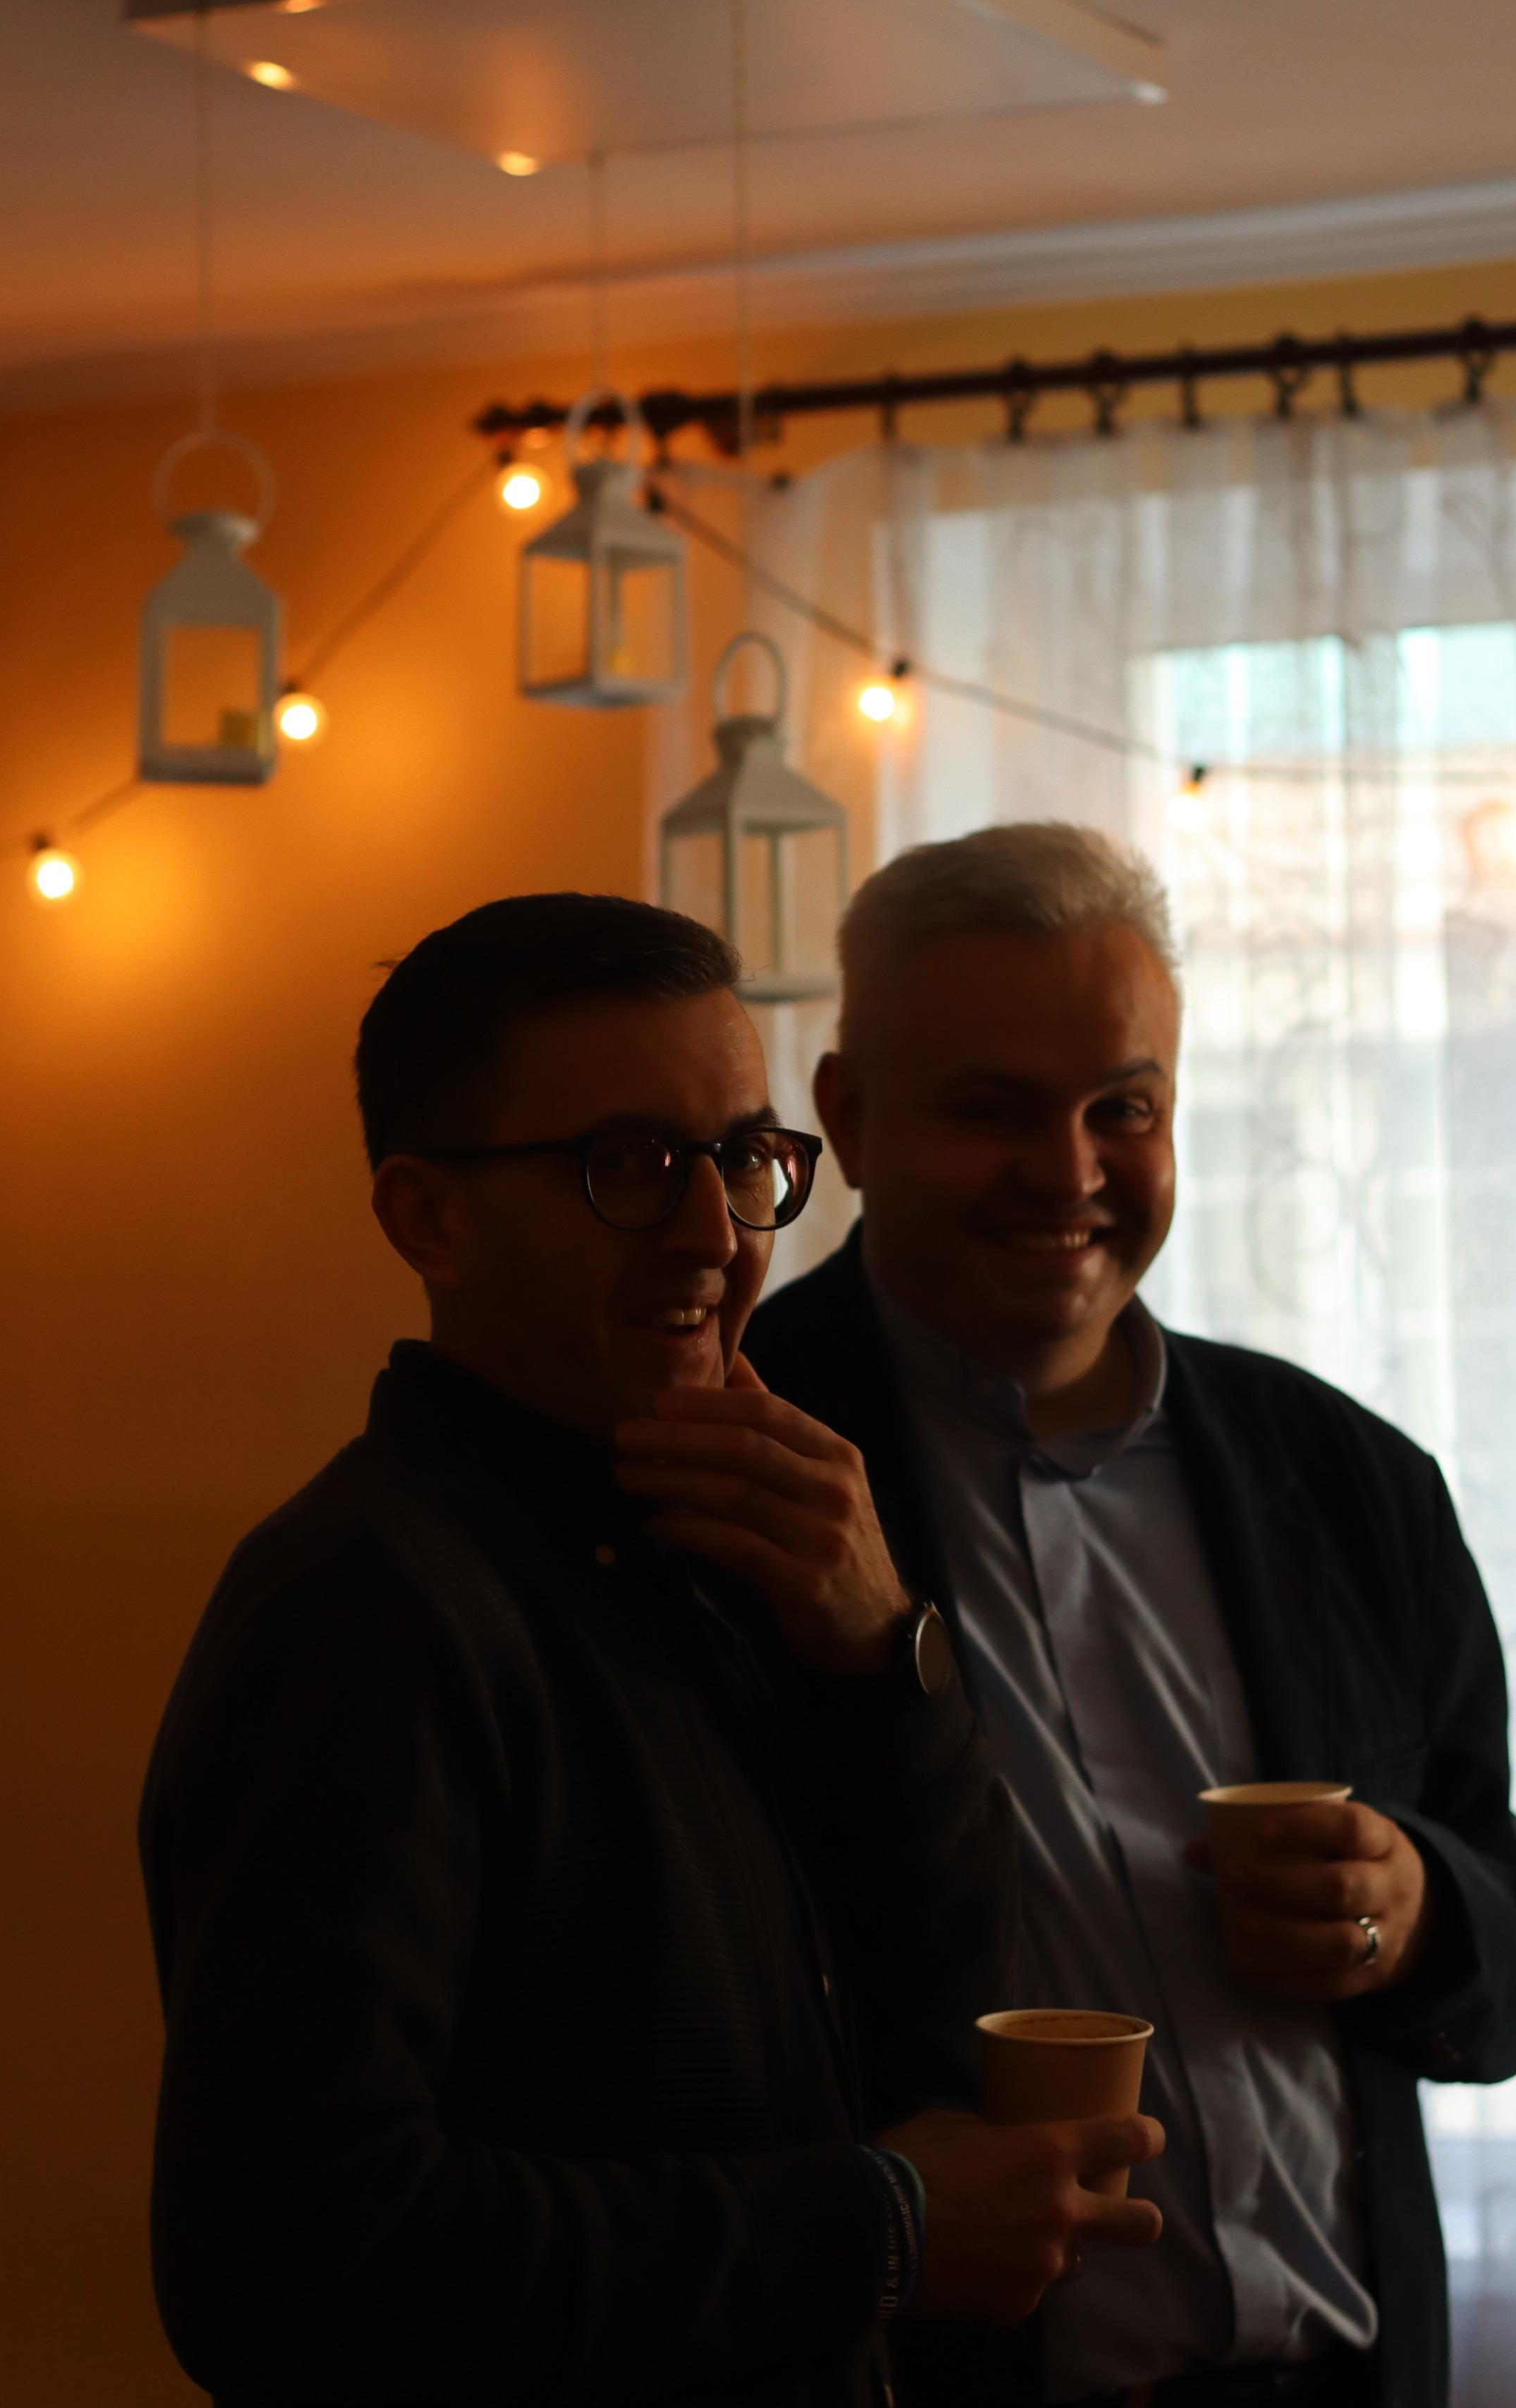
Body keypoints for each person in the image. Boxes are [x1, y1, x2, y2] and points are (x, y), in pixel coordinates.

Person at [139, 890, 1167, 2408]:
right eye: (627, 1163)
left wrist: (886, 1660)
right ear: (427, 1217)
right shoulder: (364, 1603)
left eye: (743, 1159)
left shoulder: (721, 1543)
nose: (713, 1233)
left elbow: (934, 2039)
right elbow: (287, 2263)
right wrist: (873, 2232)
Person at [747, 827, 1516, 2408]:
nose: (1067, 1172)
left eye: (1120, 1109)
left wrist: (1416, 1911)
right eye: (992, 1109)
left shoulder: (1351, 1478)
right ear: (847, 1118)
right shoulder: (732, 1470)